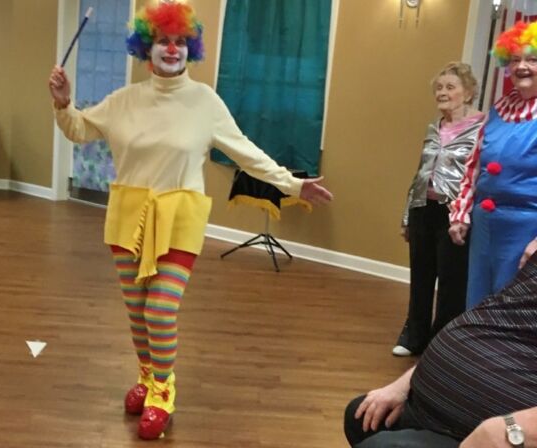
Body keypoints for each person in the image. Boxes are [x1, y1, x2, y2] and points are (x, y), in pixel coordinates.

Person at [47, 1, 333, 440]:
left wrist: (292, 185)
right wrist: (63, 103)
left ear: (190, 49)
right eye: (163, 40)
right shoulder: (124, 100)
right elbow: (80, 129)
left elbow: (246, 152)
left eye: (181, 41)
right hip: (128, 218)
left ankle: (163, 391)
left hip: (180, 218)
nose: (172, 48)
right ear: (147, 47)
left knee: (160, 309)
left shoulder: (205, 102)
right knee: (137, 313)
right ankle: (146, 377)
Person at [344, 250, 537, 447]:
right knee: (361, 416)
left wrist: (513, 430)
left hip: (487, 431)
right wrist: (405, 383)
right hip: (438, 408)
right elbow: (491, 318)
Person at [392, 62, 484, 357]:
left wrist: (467, 215)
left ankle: (441, 343)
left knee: (451, 282)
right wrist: (407, 216)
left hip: (455, 214)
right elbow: (420, 173)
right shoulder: (434, 127)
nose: (442, 93)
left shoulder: (482, 128)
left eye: (450, 87)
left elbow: (480, 176)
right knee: (420, 276)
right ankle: (413, 335)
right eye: (439, 88)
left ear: (468, 92)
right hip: (423, 208)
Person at [449, 20, 537, 309]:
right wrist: (461, 212)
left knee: (512, 310)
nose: (522, 66)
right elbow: (474, 165)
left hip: (526, 231)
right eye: (515, 59)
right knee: (477, 301)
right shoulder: (499, 108)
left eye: (532, 60)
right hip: (485, 227)